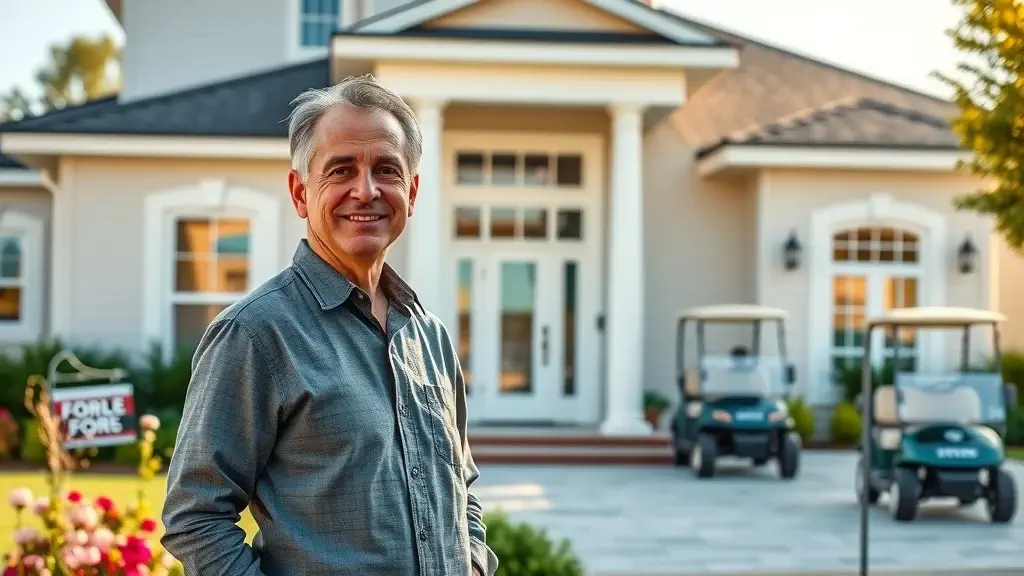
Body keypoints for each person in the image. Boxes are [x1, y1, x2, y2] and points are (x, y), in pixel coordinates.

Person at [161, 75, 497, 576]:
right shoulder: (255, 335)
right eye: (341, 170)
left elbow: (460, 486)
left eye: (387, 169)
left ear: (413, 190)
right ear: (300, 192)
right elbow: (195, 517)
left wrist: (471, 562)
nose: (366, 190)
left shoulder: (430, 337)